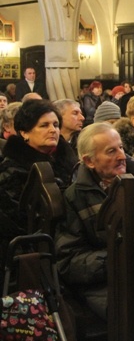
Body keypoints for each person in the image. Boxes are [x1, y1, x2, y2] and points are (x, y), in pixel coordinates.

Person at [54, 123, 134, 320]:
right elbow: (68, 261)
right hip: (107, 281)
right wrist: (117, 257)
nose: (122, 156)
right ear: (89, 161)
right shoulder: (76, 197)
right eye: (111, 151)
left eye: (121, 147)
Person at [0, 100, 77, 273]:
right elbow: (19, 225)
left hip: (67, 243)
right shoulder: (11, 172)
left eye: (56, 125)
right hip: (30, 257)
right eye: (44, 125)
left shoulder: (68, 162)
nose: (53, 130)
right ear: (24, 132)